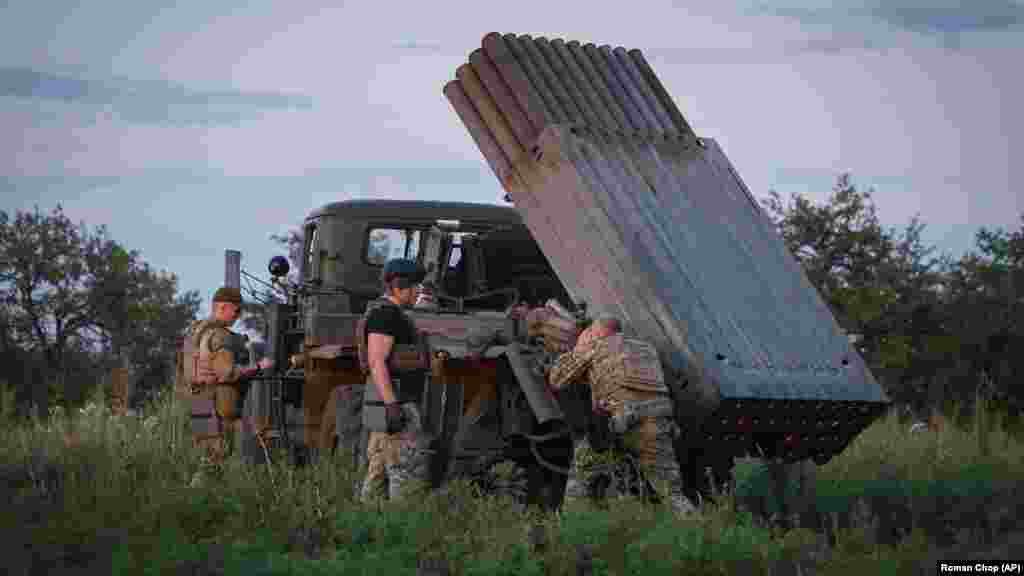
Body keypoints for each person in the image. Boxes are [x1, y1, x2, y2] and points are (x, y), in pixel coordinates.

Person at [547, 316, 696, 517]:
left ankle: (573, 527)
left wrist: (578, 347)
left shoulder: (595, 346)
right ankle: (697, 527)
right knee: (672, 494)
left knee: (581, 476)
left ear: (596, 333)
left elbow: (557, 378)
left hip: (620, 424)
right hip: (658, 425)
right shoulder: (647, 348)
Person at [178, 286, 273, 485]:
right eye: (236, 311)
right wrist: (257, 367)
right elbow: (227, 372)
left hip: (195, 401)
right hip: (215, 404)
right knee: (216, 460)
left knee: (204, 458)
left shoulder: (195, 330)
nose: (238, 317)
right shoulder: (221, 336)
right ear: (221, 307)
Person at [359, 258, 433, 502]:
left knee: (376, 484)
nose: (418, 292)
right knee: (406, 482)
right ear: (401, 287)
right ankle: (401, 533)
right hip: (397, 407)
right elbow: (377, 361)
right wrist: (392, 405)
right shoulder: (386, 315)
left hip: (390, 408)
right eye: (415, 287)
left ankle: (367, 534)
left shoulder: (387, 313)